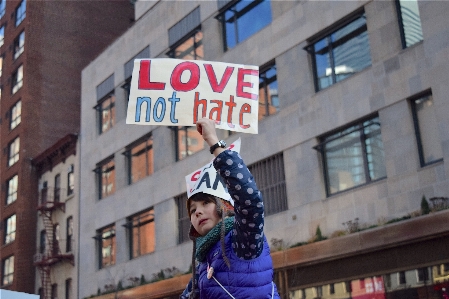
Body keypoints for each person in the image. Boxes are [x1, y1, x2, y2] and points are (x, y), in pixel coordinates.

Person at [180, 117, 280, 299]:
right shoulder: (203, 265)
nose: (198, 212)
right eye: (192, 210)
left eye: (205, 203)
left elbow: (251, 201)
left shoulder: (242, 241)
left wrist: (214, 142)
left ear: (225, 206)